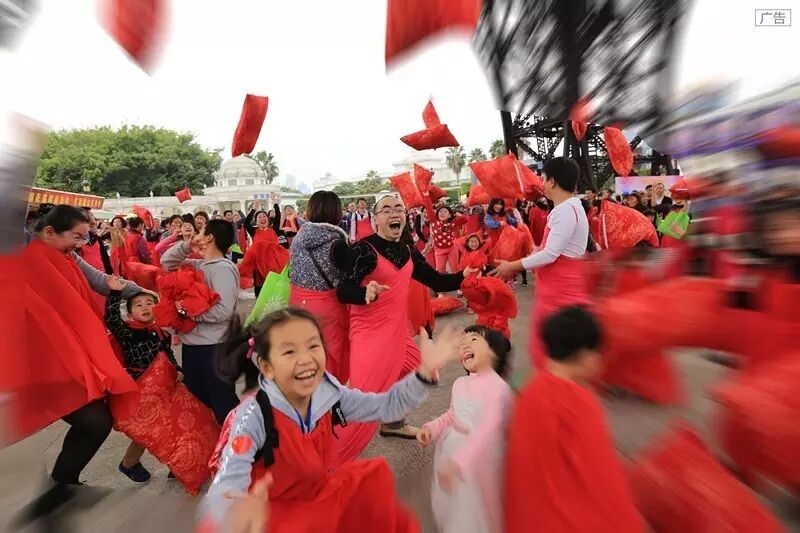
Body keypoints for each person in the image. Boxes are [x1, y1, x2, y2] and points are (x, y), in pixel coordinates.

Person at [198, 308, 464, 532]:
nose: (305, 359)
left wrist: (423, 373)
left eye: (313, 346)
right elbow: (226, 482)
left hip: (318, 500)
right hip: (270, 519)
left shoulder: (328, 394)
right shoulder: (253, 415)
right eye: (289, 352)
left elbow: (387, 406)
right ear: (266, 367)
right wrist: (233, 510)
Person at [16, 206, 145, 525]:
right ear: (49, 232)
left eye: (84, 237)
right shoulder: (20, 255)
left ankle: (59, 493)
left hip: (63, 357)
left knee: (96, 421)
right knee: (93, 421)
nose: (80, 243)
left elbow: (101, 282)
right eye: (76, 237)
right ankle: (57, 496)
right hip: (36, 361)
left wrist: (141, 292)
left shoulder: (68, 257)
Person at [333, 195, 476, 461]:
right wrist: (365, 293)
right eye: (386, 209)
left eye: (398, 209)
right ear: (375, 219)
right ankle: (330, 461)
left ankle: (393, 422)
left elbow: (435, 280)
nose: (394, 213)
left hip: (398, 334)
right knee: (362, 407)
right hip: (370, 336)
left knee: (420, 373)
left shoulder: (407, 250)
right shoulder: (364, 250)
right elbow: (343, 290)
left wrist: (462, 276)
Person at [504, 306, 643, 533]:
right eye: (599, 352)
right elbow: (602, 476)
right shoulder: (579, 403)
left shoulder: (529, 390)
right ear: (584, 354)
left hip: (528, 517)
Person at [491, 157, 590, 370]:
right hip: (559, 288)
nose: (542, 184)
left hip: (559, 291)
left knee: (552, 350)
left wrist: (512, 266)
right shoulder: (571, 207)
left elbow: (550, 254)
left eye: (543, 179)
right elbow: (552, 250)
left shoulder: (564, 210)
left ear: (552, 181)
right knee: (558, 350)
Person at [418, 326, 513, 533]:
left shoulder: (498, 388)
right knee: (459, 503)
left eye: (474, 339)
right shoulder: (460, 383)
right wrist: (430, 429)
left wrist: (459, 463)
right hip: (454, 453)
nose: (465, 345)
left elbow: (488, 430)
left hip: (481, 457)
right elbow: (452, 415)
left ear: (493, 351)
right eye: (462, 343)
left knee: (482, 507)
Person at [160, 219, 240, 424]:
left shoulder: (223, 268)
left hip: (215, 348)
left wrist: (187, 313)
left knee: (223, 406)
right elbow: (166, 262)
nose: (196, 234)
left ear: (210, 237)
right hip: (193, 347)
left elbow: (224, 311)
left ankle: (238, 442)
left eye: (201, 231)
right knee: (201, 404)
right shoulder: (200, 264)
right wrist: (187, 246)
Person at [104, 277, 182, 483]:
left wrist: (177, 369)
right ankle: (129, 463)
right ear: (130, 314)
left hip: (163, 387)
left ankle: (177, 463)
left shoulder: (161, 333)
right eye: (139, 305)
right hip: (141, 390)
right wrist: (114, 293)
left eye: (150, 303)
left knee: (167, 425)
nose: (145, 307)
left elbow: (168, 354)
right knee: (147, 431)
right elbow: (112, 319)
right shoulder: (128, 333)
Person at [289, 191, 352, 383]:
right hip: (327, 308)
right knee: (331, 358)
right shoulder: (337, 243)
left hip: (297, 305)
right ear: (337, 212)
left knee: (305, 356)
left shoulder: (298, 238)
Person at [431, 205, 468, 275]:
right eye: (440, 211)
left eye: (445, 212)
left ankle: (457, 281)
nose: (442, 213)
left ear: (449, 215)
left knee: (455, 269)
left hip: (452, 248)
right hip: (439, 250)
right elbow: (429, 208)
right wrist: (427, 198)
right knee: (440, 271)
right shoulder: (434, 222)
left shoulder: (453, 223)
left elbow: (466, 220)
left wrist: (461, 216)